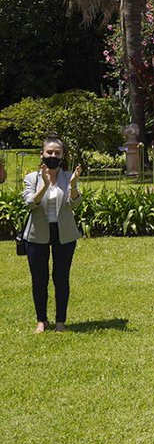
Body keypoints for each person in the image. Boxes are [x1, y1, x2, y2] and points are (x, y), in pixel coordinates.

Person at [21, 134, 82, 333]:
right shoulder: (32, 178)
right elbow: (31, 203)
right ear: (42, 154)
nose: (53, 156)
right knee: (39, 279)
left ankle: (60, 322)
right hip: (37, 234)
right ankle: (41, 320)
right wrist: (45, 185)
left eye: (57, 152)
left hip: (63, 233)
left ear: (63, 155)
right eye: (49, 152)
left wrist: (73, 185)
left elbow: (75, 203)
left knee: (61, 277)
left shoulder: (67, 176)